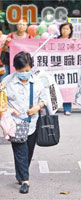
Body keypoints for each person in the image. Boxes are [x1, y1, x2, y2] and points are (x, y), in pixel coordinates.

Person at [2, 51, 46, 193]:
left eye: (27, 70)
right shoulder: (7, 82)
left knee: (28, 152)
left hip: (33, 122)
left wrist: (37, 107)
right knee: (20, 151)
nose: (24, 73)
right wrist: (9, 109)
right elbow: (2, 101)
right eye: (21, 71)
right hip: (16, 123)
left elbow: (44, 99)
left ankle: (20, 173)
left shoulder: (38, 81)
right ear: (15, 69)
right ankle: (25, 181)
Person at [57, 22, 73, 115]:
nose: (65, 30)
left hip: (68, 68)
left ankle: (67, 108)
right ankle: (53, 107)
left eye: (67, 29)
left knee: (67, 87)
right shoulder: (54, 41)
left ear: (70, 31)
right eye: (63, 28)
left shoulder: (73, 41)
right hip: (57, 67)